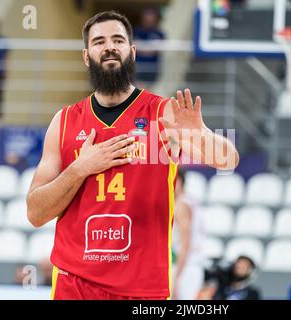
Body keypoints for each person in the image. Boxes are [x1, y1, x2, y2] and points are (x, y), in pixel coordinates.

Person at [26, 10, 239, 300]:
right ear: (87, 56)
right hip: (74, 284)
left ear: (132, 52)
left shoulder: (162, 113)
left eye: (118, 40)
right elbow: (36, 213)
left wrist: (200, 133)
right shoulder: (63, 122)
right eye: (99, 41)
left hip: (142, 288)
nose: (109, 46)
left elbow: (228, 160)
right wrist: (80, 168)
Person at [171, 169, 205, 300]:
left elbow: (185, 245)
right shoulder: (190, 200)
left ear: (179, 181)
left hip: (187, 265)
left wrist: (176, 277)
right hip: (191, 262)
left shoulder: (181, 205)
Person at [133, 8, 165, 85]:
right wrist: (148, 48)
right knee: (138, 89)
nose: (149, 18)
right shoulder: (136, 31)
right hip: (138, 66)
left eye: (151, 15)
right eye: (147, 15)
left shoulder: (159, 33)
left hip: (153, 66)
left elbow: (156, 50)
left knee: (150, 91)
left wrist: (143, 48)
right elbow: (134, 46)